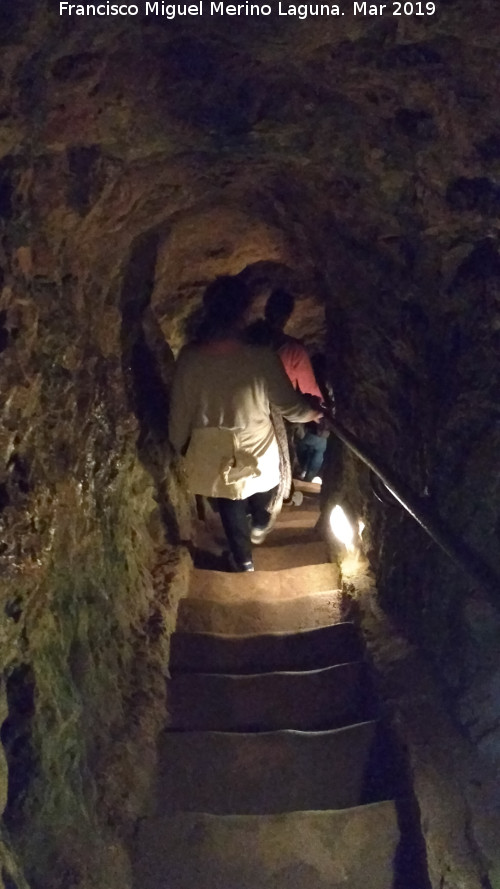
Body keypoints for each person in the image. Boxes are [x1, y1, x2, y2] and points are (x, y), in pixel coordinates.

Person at [168, 276, 322, 572]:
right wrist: (312, 413)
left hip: (212, 449)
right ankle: (261, 520)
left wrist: (179, 443)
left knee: (229, 502)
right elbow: (289, 404)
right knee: (261, 490)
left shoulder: (190, 358)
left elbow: (181, 410)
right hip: (257, 446)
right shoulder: (260, 357)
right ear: (244, 312)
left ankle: (244, 560)